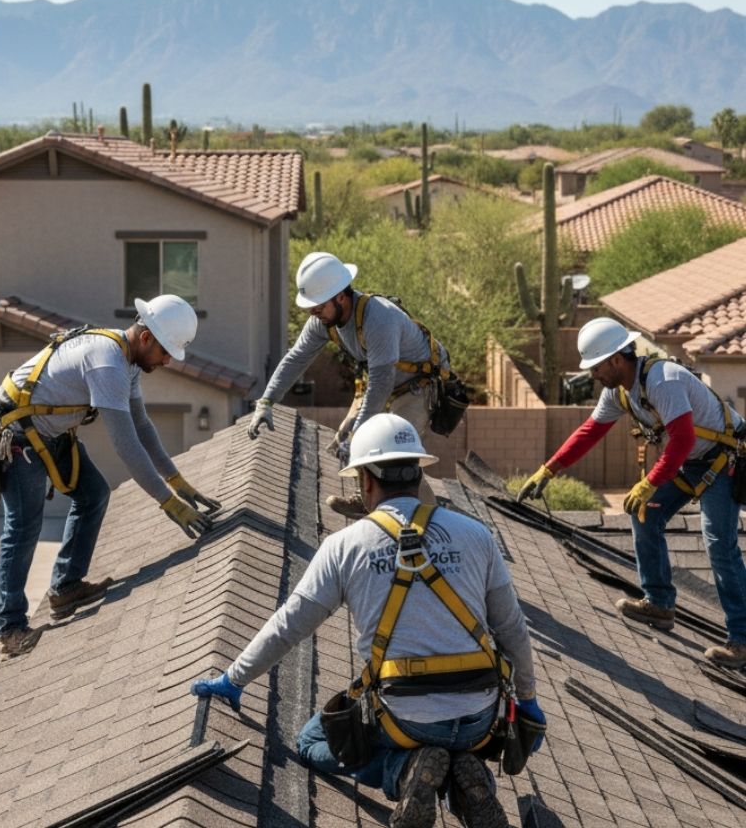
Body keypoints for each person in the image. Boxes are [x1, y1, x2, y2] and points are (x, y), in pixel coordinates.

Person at [193, 413, 542, 828]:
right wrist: (527, 699)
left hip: (402, 719)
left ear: (365, 481)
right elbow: (513, 629)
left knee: (312, 740)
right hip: (479, 720)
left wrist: (234, 679)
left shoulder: (345, 547)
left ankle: (404, 771)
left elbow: (290, 624)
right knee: (456, 744)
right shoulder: (475, 534)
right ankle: (469, 779)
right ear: (417, 474)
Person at [0, 294, 221, 662]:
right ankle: (10, 629)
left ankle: (66, 587)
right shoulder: (108, 363)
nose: (168, 360)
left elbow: (141, 424)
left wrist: (175, 478)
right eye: (166, 351)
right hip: (15, 434)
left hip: (48, 431)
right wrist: (168, 503)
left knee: (93, 494)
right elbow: (126, 445)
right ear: (145, 338)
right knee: (24, 525)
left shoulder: (129, 362)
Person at [518, 316, 746, 668]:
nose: (593, 375)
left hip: (725, 459)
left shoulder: (663, 380)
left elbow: (683, 439)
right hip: (693, 460)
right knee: (646, 510)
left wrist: (650, 481)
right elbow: (590, 431)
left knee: (718, 542)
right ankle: (659, 603)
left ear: (616, 359)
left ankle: (742, 640)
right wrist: (550, 468)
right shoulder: (619, 392)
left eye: (596, 367)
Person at [247, 251, 451, 518]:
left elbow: (381, 381)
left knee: (393, 452)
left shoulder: (379, 319)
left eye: (318, 307)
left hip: (417, 386)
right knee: (345, 437)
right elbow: (296, 358)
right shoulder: (324, 321)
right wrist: (266, 401)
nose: (314, 313)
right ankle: (366, 501)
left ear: (340, 296)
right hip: (384, 382)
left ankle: (431, 521)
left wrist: (361, 430)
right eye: (311, 308)